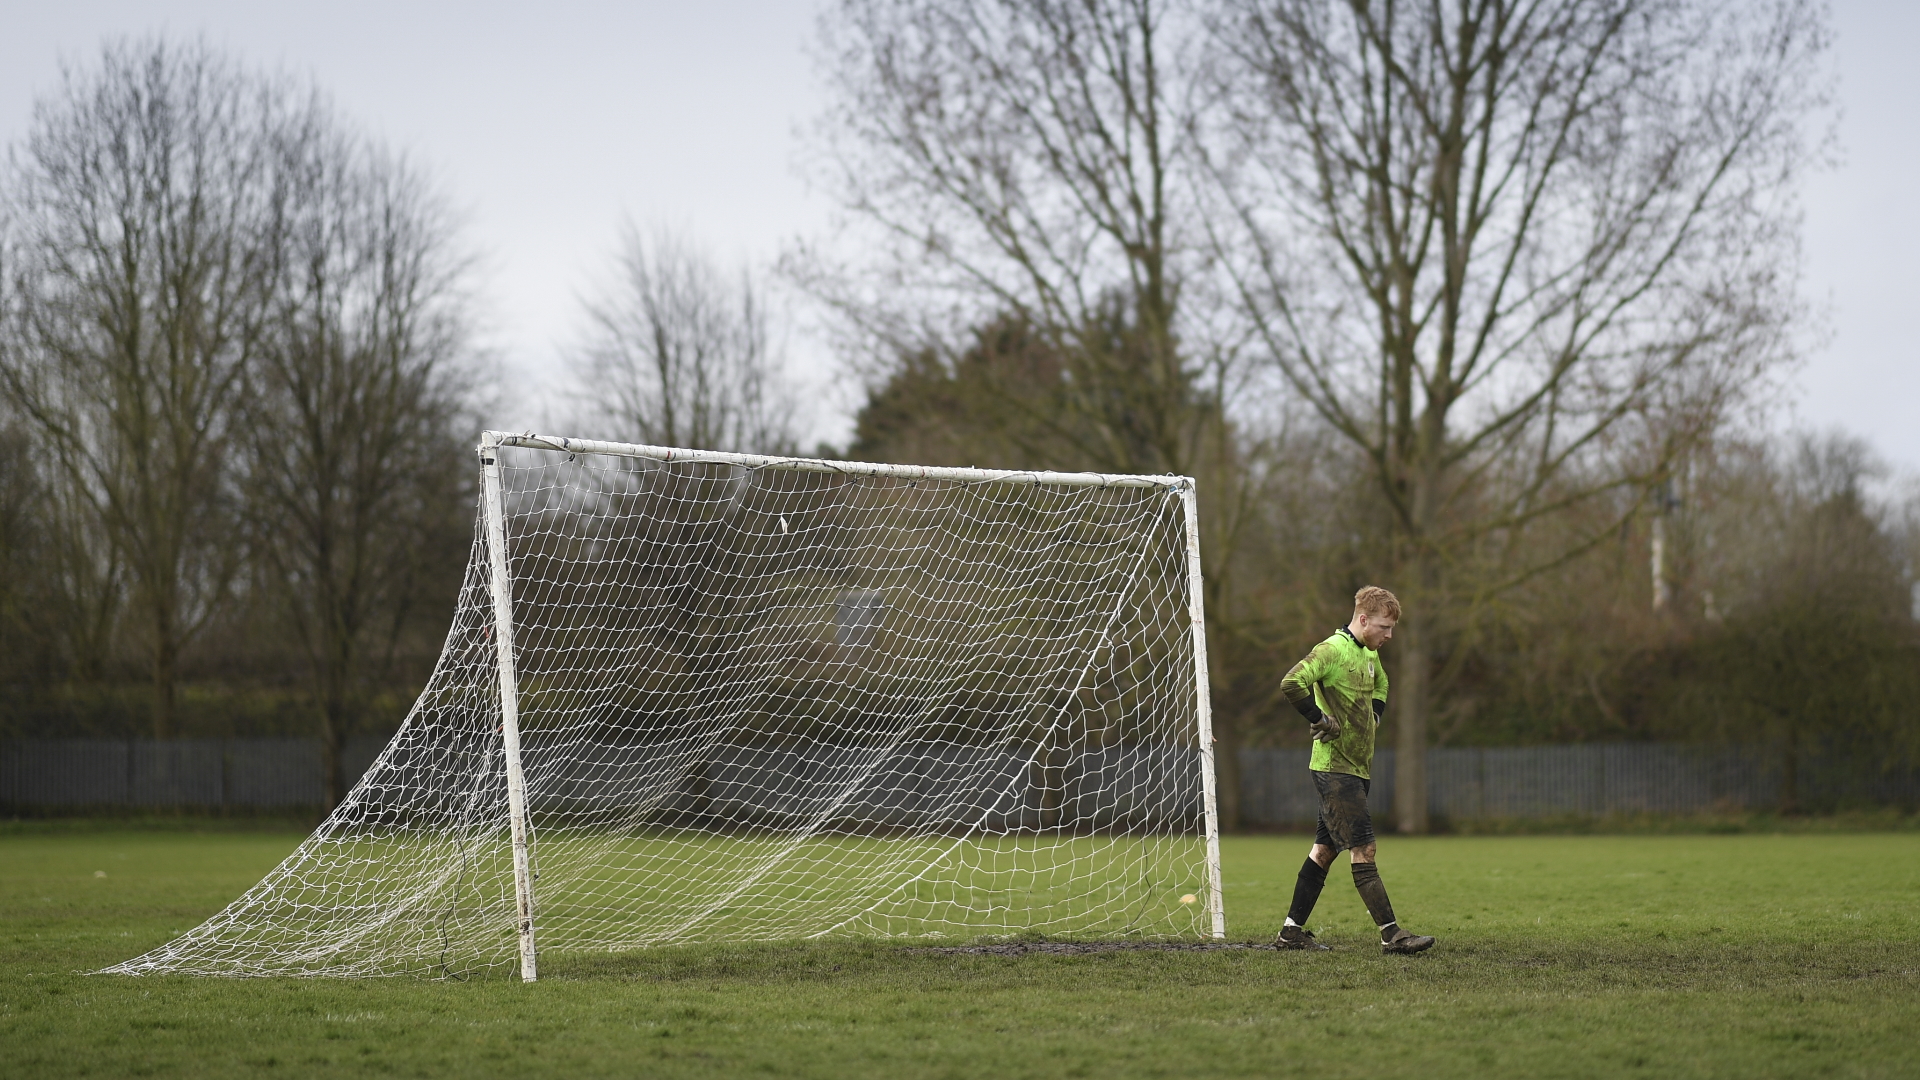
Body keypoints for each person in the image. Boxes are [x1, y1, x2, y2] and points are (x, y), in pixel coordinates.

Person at [1273, 586, 1435, 955]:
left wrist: (1374, 714)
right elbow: (1290, 682)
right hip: (1335, 768)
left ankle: (1290, 934)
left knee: (1323, 851)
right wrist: (1318, 718)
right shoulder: (1332, 650)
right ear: (1363, 619)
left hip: (1356, 769)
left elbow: (1383, 682)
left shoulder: (1368, 654)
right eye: (1384, 627)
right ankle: (1392, 935)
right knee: (1364, 848)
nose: (1389, 635)